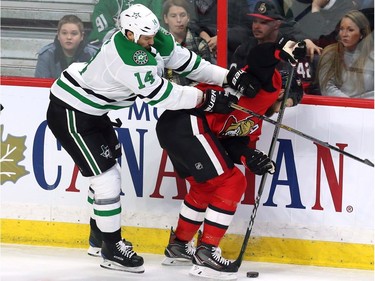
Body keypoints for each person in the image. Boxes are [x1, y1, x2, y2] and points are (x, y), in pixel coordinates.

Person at [46, 4, 241, 274]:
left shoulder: (148, 34)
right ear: (128, 33)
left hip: (94, 109)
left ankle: (98, 237)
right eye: (145, 39)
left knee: (107, 170)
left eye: (152, 36)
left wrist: (226, 76)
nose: (151, 42)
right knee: (106, 180)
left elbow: (186, 62)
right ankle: (111, 249)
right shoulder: (126, 57)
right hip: (72, 112)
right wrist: (206, 99)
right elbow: (164, 96)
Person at [156, 41, 305, 280]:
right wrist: (280, 49)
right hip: (188, 122)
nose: (282, 109)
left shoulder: (255, 121)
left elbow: (233, 145)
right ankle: (207, 253)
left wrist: (250, 157)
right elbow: (259, 58)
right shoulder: (264, 85)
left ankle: (180, 245)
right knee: (233, 182)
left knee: (205, 186)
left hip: (175, 128)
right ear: (280, 90)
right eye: (286, 101)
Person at [231, 0, 321, 94]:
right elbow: (234, 80)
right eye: (255, 21)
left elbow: (312, 88)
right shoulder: (244, 50)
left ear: (277, 24)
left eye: (263, 22)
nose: (256, 27)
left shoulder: (290, 47)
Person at [316, 10, 374, 98]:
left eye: (350, 30)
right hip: (339, 108)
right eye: (341, 29)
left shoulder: (372, 56)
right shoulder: (330, 54)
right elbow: (327, 87)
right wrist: (350, 105)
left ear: (362, 34)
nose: (344, 34)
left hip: (367, 108)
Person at [163, 0, 214, 86]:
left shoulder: (200, 45)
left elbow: (205, 78)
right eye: (173, 16)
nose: (179, 20)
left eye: (182, 15)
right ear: (165, 19)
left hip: (194, 95)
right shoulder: (158, 46)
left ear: (188, 17)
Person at [188, 0, 253, 64]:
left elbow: (247, 29)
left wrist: (222, 37)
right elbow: (188, 21)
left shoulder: (234, 2)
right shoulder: (191, 3)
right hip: (198, 57)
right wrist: (201, 33)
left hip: (228, 58)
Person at [35, 15, 98, 79]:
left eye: (74, 33)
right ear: (58, 35)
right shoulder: (46, 55)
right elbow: (41, 85)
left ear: (82, 36)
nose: (69, 37)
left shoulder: (94, 55)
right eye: (64, 33)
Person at [87, 0, 163, 47]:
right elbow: (104, 32)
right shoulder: (105, 2)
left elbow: (155, 27)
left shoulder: (154, 1)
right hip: (111, 46)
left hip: (144, 44)